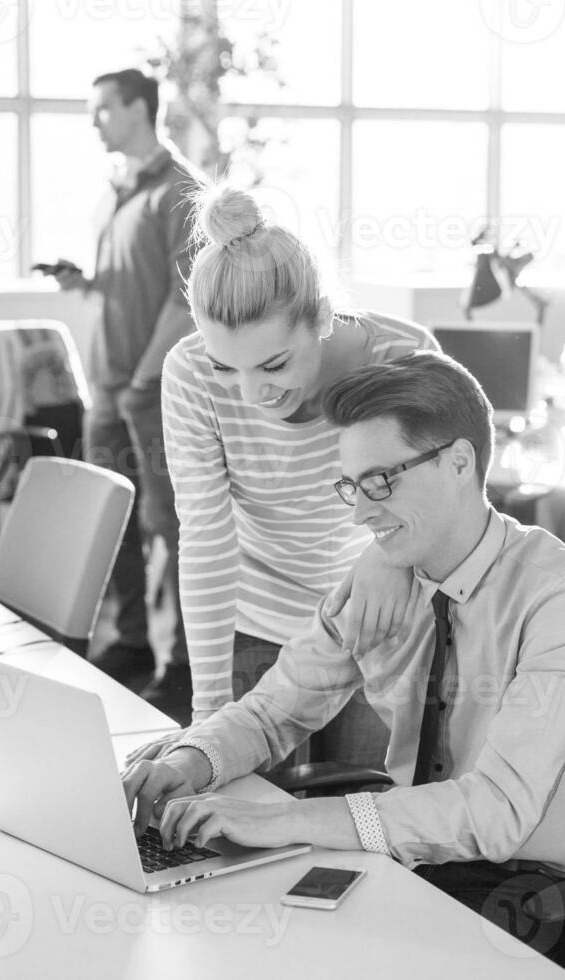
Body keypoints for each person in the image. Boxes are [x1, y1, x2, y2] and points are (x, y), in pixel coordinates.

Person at [124, 352, 565, 965]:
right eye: (352, 487)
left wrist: (290, 822)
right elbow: (271, 712)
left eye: (381, 482)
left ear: (460, 462)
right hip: (418, 864)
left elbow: (497, 813)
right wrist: (190, 762)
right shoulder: (383, 581)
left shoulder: (563, 596)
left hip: (538, 893)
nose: (362, 513)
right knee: (216, 929)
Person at [138, 184, 436, 771]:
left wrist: (388, 555)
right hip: (256, 626)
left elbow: (449, 493)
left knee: (365, 820)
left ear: (322, 317)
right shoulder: (190, 374)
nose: (254, 394)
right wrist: (208, 717)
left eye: (274, 364)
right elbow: (206, 538)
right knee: (247, 822)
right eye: (229, 368)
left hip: (376, 622)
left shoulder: (404, 356)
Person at [52, 68, 198, 711]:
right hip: (109, 386)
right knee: (113, 521)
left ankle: (187, 663)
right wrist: (83, 281)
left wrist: (147, 378)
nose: (94, 122)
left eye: (103, 109)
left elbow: (186, 293)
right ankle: (134, 641)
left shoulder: (180, 190)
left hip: (152, 388)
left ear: (139, 108)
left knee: (171, 524)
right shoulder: (117, 193)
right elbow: (128, 288)